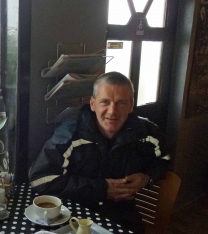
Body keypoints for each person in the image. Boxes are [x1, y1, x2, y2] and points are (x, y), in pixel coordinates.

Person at [29, 71, 170, 233]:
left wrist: (147, 178)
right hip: (75, 214)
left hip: (122, 216)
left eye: (121, 103)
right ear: (92, 104)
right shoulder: (69, 133)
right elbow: (39, 178)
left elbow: (165, 160)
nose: (112, 111)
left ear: (131, 105)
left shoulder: (148, 133)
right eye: (105, 102)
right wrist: (101, 189)